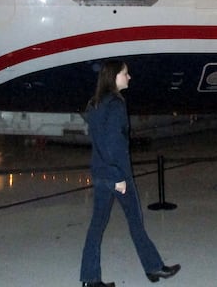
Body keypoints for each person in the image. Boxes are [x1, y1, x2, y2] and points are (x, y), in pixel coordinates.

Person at [80, 60, 180, 287]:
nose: (129, 77)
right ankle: (154, 267)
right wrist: (119, 178)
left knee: (96, 226)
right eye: (126, 73)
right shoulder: (115, 104)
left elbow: (98, 142)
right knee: (136, 222)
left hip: (100, 172)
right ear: (115, 76)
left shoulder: (94, 103)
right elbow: (113, 144)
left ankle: (90, 278)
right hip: (117, 175)